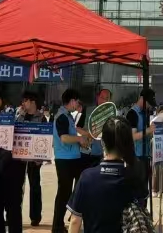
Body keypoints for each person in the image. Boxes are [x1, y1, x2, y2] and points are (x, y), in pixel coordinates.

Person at [68, 116, 147, 233]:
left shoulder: (87, 177)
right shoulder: (135, 175)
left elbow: (75, 221)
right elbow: (140, 215)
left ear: (102, 142)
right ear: (128, 143)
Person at [53, 89, 95, 233]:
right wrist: (79, 139)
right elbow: (64, 138)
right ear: (71, 101)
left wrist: (82, 139)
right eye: (77, 101)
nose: (78, 104)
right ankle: (57, 226)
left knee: (72, 191)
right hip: (64, 160)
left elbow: (71, 134)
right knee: (63, 194)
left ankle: (67, 221)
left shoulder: (68, 116)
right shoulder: (62, 117)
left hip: (72, 158)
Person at [17, 91, 47, 229]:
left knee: (35, 187)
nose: (23, 103)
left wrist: (40, 158)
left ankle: (35, 217)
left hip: (34, 160)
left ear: (33, 102)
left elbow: (45, 139)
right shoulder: (20, 116)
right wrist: (20, 115)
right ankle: (14, 215)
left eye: (25, 100)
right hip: (19, 159)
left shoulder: (42, 118)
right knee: (16, 187)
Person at [125, 88, 155, 193]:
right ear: (142, 99)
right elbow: (132, 136)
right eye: (149, 103)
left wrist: (150, 133)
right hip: (136, 157)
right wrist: (148, 130)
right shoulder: (132, 114)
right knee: (137, 188)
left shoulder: (144, 114)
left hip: (145, 155)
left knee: (144, 188)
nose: (149, 106)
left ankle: (143, 203)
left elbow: (144, 134)